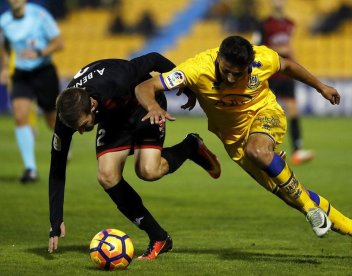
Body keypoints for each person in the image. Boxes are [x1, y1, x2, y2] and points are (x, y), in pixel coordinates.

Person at [135, 35, 352, 260]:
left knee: (258, 151)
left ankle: (312, 210)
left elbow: (287, 65)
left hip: (266, 115)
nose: (232, 77)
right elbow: (145, 86)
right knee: (291, 195)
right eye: (227, 71)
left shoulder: (261, 59)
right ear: (219, 58)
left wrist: (320, 86)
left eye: (239, 73)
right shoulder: (196, 68)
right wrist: (153, 106)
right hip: (234, 141)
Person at [47, 53, 221, 260]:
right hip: (113, 120)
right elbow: (57, 168)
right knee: (106, 176)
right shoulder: (66, 115)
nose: (82, 132)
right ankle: (158, 237)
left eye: (84, 126)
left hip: (145, 105)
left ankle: (190, 147)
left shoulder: (117, 78)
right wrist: (55, 221)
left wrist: (185, 87)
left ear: (92, 105)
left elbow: (155, 59)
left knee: (148, 171)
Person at [0, 0, 64, 183]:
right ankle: (30, 168)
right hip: (21, 74)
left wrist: (39, 53)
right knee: (20, 116)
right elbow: (4, 46)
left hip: (44, 71)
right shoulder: (4, 20)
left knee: (52, 120)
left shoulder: (40, 15)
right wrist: (4, 67)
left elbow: (59, 43)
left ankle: (66, 142)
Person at [252, 0, 313, 165]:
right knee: (262, 112)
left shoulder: (289, 23)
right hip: (270, 74)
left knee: (293, 110)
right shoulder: (264, 24)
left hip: (285, 74)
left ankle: (297, 150)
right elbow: (256, 48)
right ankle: (255, 146)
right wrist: (278, 51)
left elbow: (290, 47)